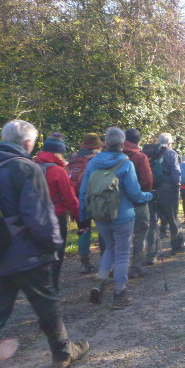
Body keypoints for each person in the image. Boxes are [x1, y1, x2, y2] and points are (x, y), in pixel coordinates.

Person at [0, 120, 89, 368]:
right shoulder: (25, 167)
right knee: (47, 303)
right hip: (27, 254)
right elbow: (39, 216)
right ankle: (63, 354)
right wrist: (53, 245)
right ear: (28, 143)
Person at [79, 127, 153, 309]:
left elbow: (84, 192)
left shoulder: (94, 163)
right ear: (122, 143)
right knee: (121, 254)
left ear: (105, 143)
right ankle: (119, 294)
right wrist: (150, 196)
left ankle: (100, 282)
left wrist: (83, 215)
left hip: (100, 215)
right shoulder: (126, 164)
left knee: (110, 249)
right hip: (123, 215)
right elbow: (135, 194)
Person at [34, 133, 81, 291]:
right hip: (56, 217)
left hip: (35, 217)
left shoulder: (32, 166)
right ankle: (52, 285)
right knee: (57, 252)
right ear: (58, 152)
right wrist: (78, 216)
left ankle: (39, 283)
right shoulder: (58, 171)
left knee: (40, 252)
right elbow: (70, 197)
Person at [66, 133, 104, 274]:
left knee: (83, 230)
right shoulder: (98, 160)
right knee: (102, 228)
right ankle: (105, 260)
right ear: (98, 147)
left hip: (79, 201)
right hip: (97, 199)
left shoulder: (74, 160)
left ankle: (84, 263)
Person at [123, 128, 153, 279]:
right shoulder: (140, 157)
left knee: (120, 235)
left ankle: (117, 268)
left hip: (117, 202)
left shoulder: (112, 154)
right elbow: (147, 181)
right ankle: (137, 267)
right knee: (140, 233)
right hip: (138, 201)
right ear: (138, 141)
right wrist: (146, 194)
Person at [152, 133, 185, 254]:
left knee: (153, 220)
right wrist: (177, 189)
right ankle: (177, 246)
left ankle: (154, 250)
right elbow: (176, 172)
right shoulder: (172, 153)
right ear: (169, 143)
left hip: (154, 190)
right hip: (169, 190)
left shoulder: (152, 153)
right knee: (173, 218)